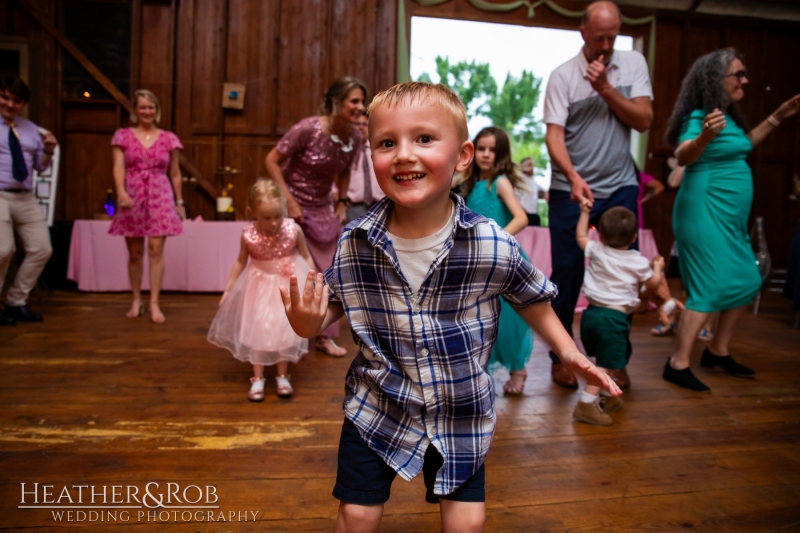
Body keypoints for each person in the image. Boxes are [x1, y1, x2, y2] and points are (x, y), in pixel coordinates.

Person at [280, 82, 620, 533]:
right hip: (378, 404)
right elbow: (333, 305)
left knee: (467, 522)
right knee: (357, 514)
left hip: (460, 409)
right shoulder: (356, 242)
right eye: (387, 143)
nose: (403, 154)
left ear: (461, 156)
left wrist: (568, 350)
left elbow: (530, 296)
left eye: (423, 139)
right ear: (371, 156)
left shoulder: (490, 242)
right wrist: (308, 324)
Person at [664, 47, 800, 391]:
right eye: (737, 75)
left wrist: (779, 115)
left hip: (728, 217)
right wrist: (703, 138)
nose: (745, 80)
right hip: (703, 210)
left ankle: (718, 350)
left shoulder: (728, 116)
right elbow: (683, 153)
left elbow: (744, 145)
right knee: (707, 288)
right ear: (716, 80)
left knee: (747, 279)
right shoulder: (700, 116)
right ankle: (677, 362)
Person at [543, 0, 653, 390]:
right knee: (567, 276)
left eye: (613, 36)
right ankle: (562, 358)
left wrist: (604, 87)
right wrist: (572, 176)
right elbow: (553, 135)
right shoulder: (562, 76)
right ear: (583, 33)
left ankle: (614, 360)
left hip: (620, 185)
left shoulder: (633, 65)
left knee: (624, 278)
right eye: (599, 37)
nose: (606, 44)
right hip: (569, 191)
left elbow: (643, 120)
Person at [265, 76, 367, 357]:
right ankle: (278, 329)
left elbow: (345, 171)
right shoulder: (307, 129)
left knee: (327, 270)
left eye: (362, 101)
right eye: (354, 100)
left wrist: (342, 202)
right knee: (287, 268)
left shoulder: (355, 137)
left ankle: (323, 334)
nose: (361, 107)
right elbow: (271, 161)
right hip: (290, 202)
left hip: (323, 207)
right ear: (336, 102)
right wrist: (288, 201)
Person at [208, 179, 315, 400]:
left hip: (286, 286)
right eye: (267, 217)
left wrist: (311, 282)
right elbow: (240, 262)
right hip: (258, 286)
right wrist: (228, 289)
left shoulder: (293, 230)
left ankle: (282, 374)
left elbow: (305, 255)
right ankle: (257, 378)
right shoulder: (248, 235)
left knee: (283, 328)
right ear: (252, 212)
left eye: (278, 215)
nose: (274, 222)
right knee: (257, 329)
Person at [573, 199, 663, 425]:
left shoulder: (597, 250)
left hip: (590, 317)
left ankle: (606, 398)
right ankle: (585, 405)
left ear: (601, 236)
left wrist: (584, 213)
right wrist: (659, 268)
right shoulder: (638, 261)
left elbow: (581, 237)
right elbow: (652, 285)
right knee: (607, 364)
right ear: (634, 237)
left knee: (607, 359)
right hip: (613, 320)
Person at [461, 126, 532, 395]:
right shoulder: (468, 183)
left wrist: (495, 239)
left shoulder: (499, 182)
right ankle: (479, 370)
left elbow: (521, 218)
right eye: (481, 149)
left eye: (492, 150)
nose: (486, 155)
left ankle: (518, 369)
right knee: (479, 315)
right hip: (476, 262)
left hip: (501, 259)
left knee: (507, 317)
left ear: (501, 154)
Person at [109, 89, 184, 324]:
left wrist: (179, 203)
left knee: (155, 249)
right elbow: (118, 166)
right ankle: (135, 299)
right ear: (135, 110)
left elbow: (175, 173)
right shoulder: (122, 136)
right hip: (132, 194)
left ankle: (154, 302)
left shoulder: (168, 138)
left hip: (160, 193)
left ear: (156, 110)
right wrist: (120, 191)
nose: (147, 111)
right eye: (142, 107)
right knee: (135, 252)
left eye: (151, 107)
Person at [0, 77, 57, 325]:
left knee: (42, 249)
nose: (10, 104)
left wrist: (48, 151)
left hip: (25, 196)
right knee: (3, 250)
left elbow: (40, 168)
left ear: (23, 103)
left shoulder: (31, 129)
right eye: (5, 97)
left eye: (16, 100)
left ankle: (15, 302)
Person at [344, 113, 383, 224]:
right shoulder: (346, 149)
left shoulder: (378, 149)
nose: (361, 127)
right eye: (357, 124)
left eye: (365, 124)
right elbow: (331, 174)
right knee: (354, 240)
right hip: (354, 207)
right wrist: (338, 196)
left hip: (379, 206)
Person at [515, 157, 540, 226]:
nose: (531, 167)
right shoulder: (518, 179)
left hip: (533, 215)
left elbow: (542, 193)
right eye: (529, 165)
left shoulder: (533, 181)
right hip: (523, 214)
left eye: (532, 165)